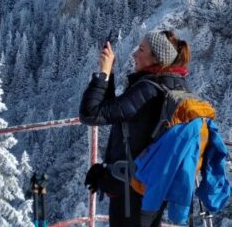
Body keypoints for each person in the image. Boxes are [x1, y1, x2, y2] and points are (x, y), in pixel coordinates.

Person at [80, 30, 191, 227]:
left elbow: (91, 113)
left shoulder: (147, 90)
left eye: (141, 49)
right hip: (153, 187)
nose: (134, 54)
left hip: (131, 195)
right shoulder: (175, 87)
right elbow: (126, 124)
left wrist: (103, 74)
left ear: (155, 59)